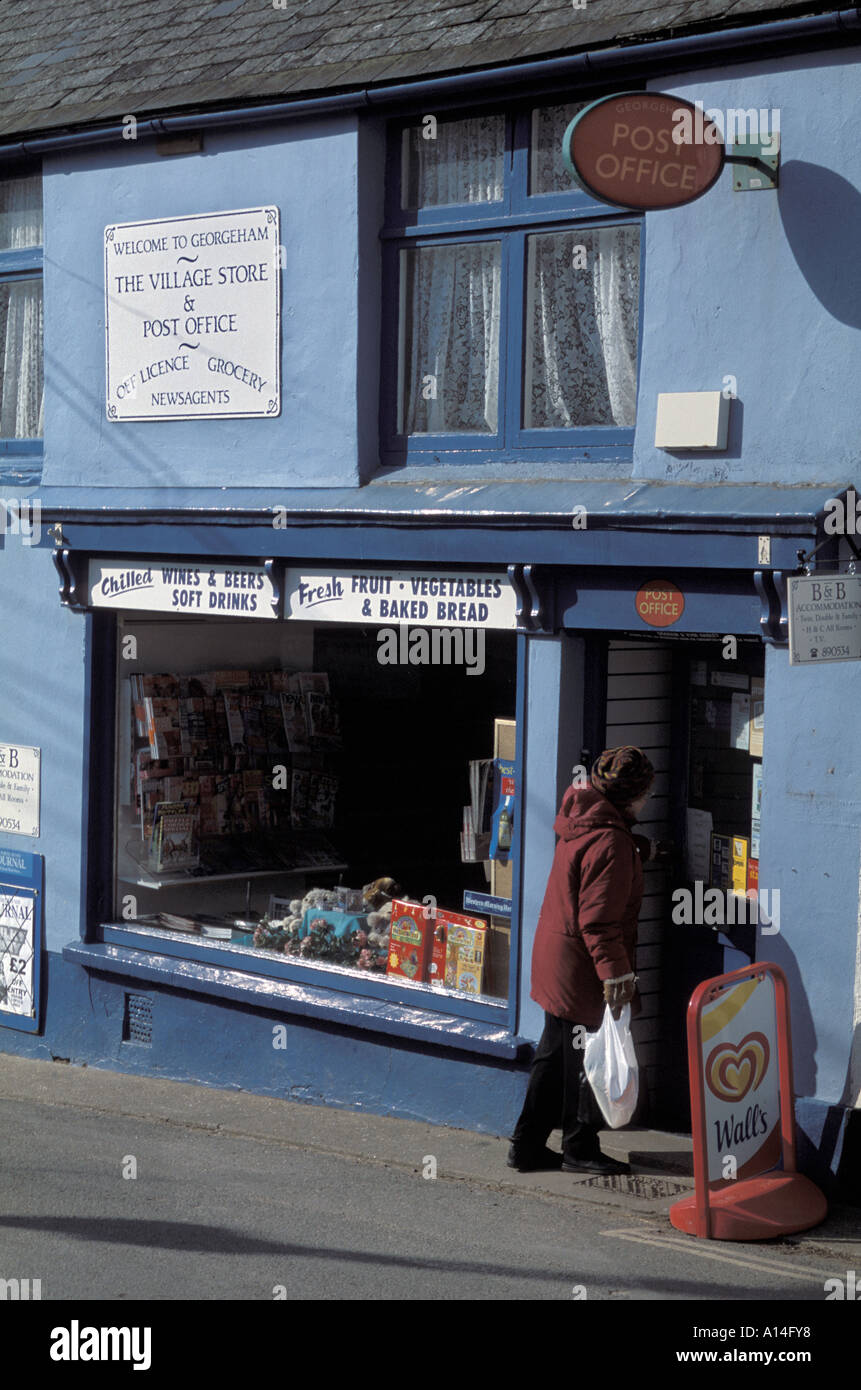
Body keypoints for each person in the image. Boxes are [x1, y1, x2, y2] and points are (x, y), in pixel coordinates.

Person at [508, 746, 656, 1175]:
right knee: (585, 1057)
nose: (648, 799)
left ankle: (529, 1145)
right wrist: (616, 977)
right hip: (583, 966)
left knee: (558, 1055)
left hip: (561, 955)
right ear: (632, 795)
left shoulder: (586, 823)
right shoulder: (612, 842)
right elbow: (599, 921)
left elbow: (589, 877)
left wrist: (639, 852)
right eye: (646, 791)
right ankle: (577, 1146)